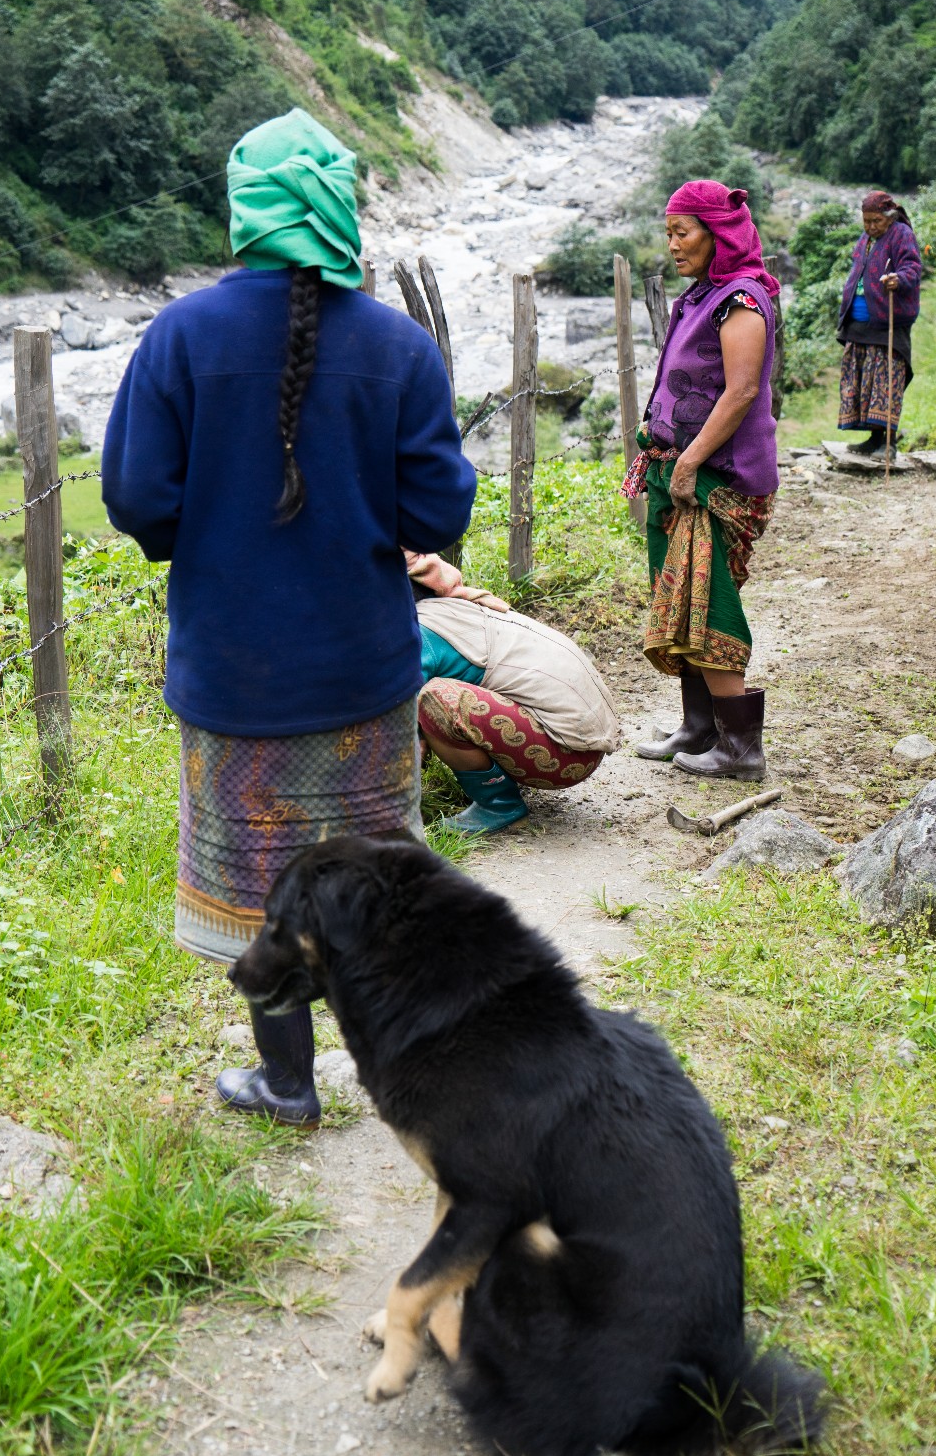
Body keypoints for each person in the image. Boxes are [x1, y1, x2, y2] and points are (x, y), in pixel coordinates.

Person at [102, 108, 475, 1124]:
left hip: (234, 680)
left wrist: (216, 534)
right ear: (340, 209)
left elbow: (137, 496)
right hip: (363, 672)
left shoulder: (180, 337)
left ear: (246, 213)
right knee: (377, 882)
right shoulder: (398, 348)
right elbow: (438, 508)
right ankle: (420, 1077)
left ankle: (288, 1079)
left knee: (258, 891)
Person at [624, 179, 779, 782]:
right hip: (679, 474)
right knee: (680, 592)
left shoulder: (741, 301)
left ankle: (742, 749)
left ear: (719, 234)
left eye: (681, 232)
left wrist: (689, 461)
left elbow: (740, 392)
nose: (672, 244)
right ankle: (699, 727)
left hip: (717, 478)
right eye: (668, 233)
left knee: (707, 593)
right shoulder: (701, 297)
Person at [406, 550, 620, 834]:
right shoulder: (452, 607)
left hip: (567, 756)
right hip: (581, 740)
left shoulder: (418, 633)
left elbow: (396, 723)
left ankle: (499, 805)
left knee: (435, 700)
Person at [837, 190, 922, 454]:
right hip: (860, 325)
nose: (871, 226)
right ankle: (874, 440)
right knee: (866, 383)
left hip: (888, 323)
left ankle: (889, 443)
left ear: (889, 217)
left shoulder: (901, 234)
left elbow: (913, 267)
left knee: (887, 382)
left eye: (876, 221)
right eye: (867, 221)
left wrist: (899, 279)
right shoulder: (867, 238)